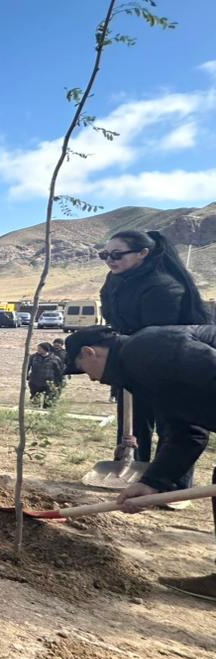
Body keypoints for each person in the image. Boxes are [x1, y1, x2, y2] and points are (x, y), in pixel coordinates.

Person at [63, 325, 216, 601]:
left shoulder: (147, 348)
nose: (92, 379)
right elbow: (187, 432)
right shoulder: (142, 371)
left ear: (89, 353)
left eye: (83, 370)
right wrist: (151, 482)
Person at [99, 230, 210, 492]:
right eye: (105, 255)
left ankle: (173, 482)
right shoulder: (114, 280)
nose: (110, 260)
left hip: (172, 361)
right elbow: (111, 313)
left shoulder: (164, 286)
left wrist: (132, 350)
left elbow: (161, 334)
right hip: (133, 354)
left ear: (143, 253)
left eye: (117, 255)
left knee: (173, 422)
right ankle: (139, 469)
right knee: (134, 420)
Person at [27, 342, 62, 408]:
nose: (38, 350)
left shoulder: (55, 359)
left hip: (49, 382)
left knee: (48, 402)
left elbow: (59, 371)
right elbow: (27, 367)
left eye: (40, 348)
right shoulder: (33, 357)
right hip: (35, 382)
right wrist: (27, 376)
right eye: (38, 348)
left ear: (45, 349)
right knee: (35, 401)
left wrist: (58, 382)